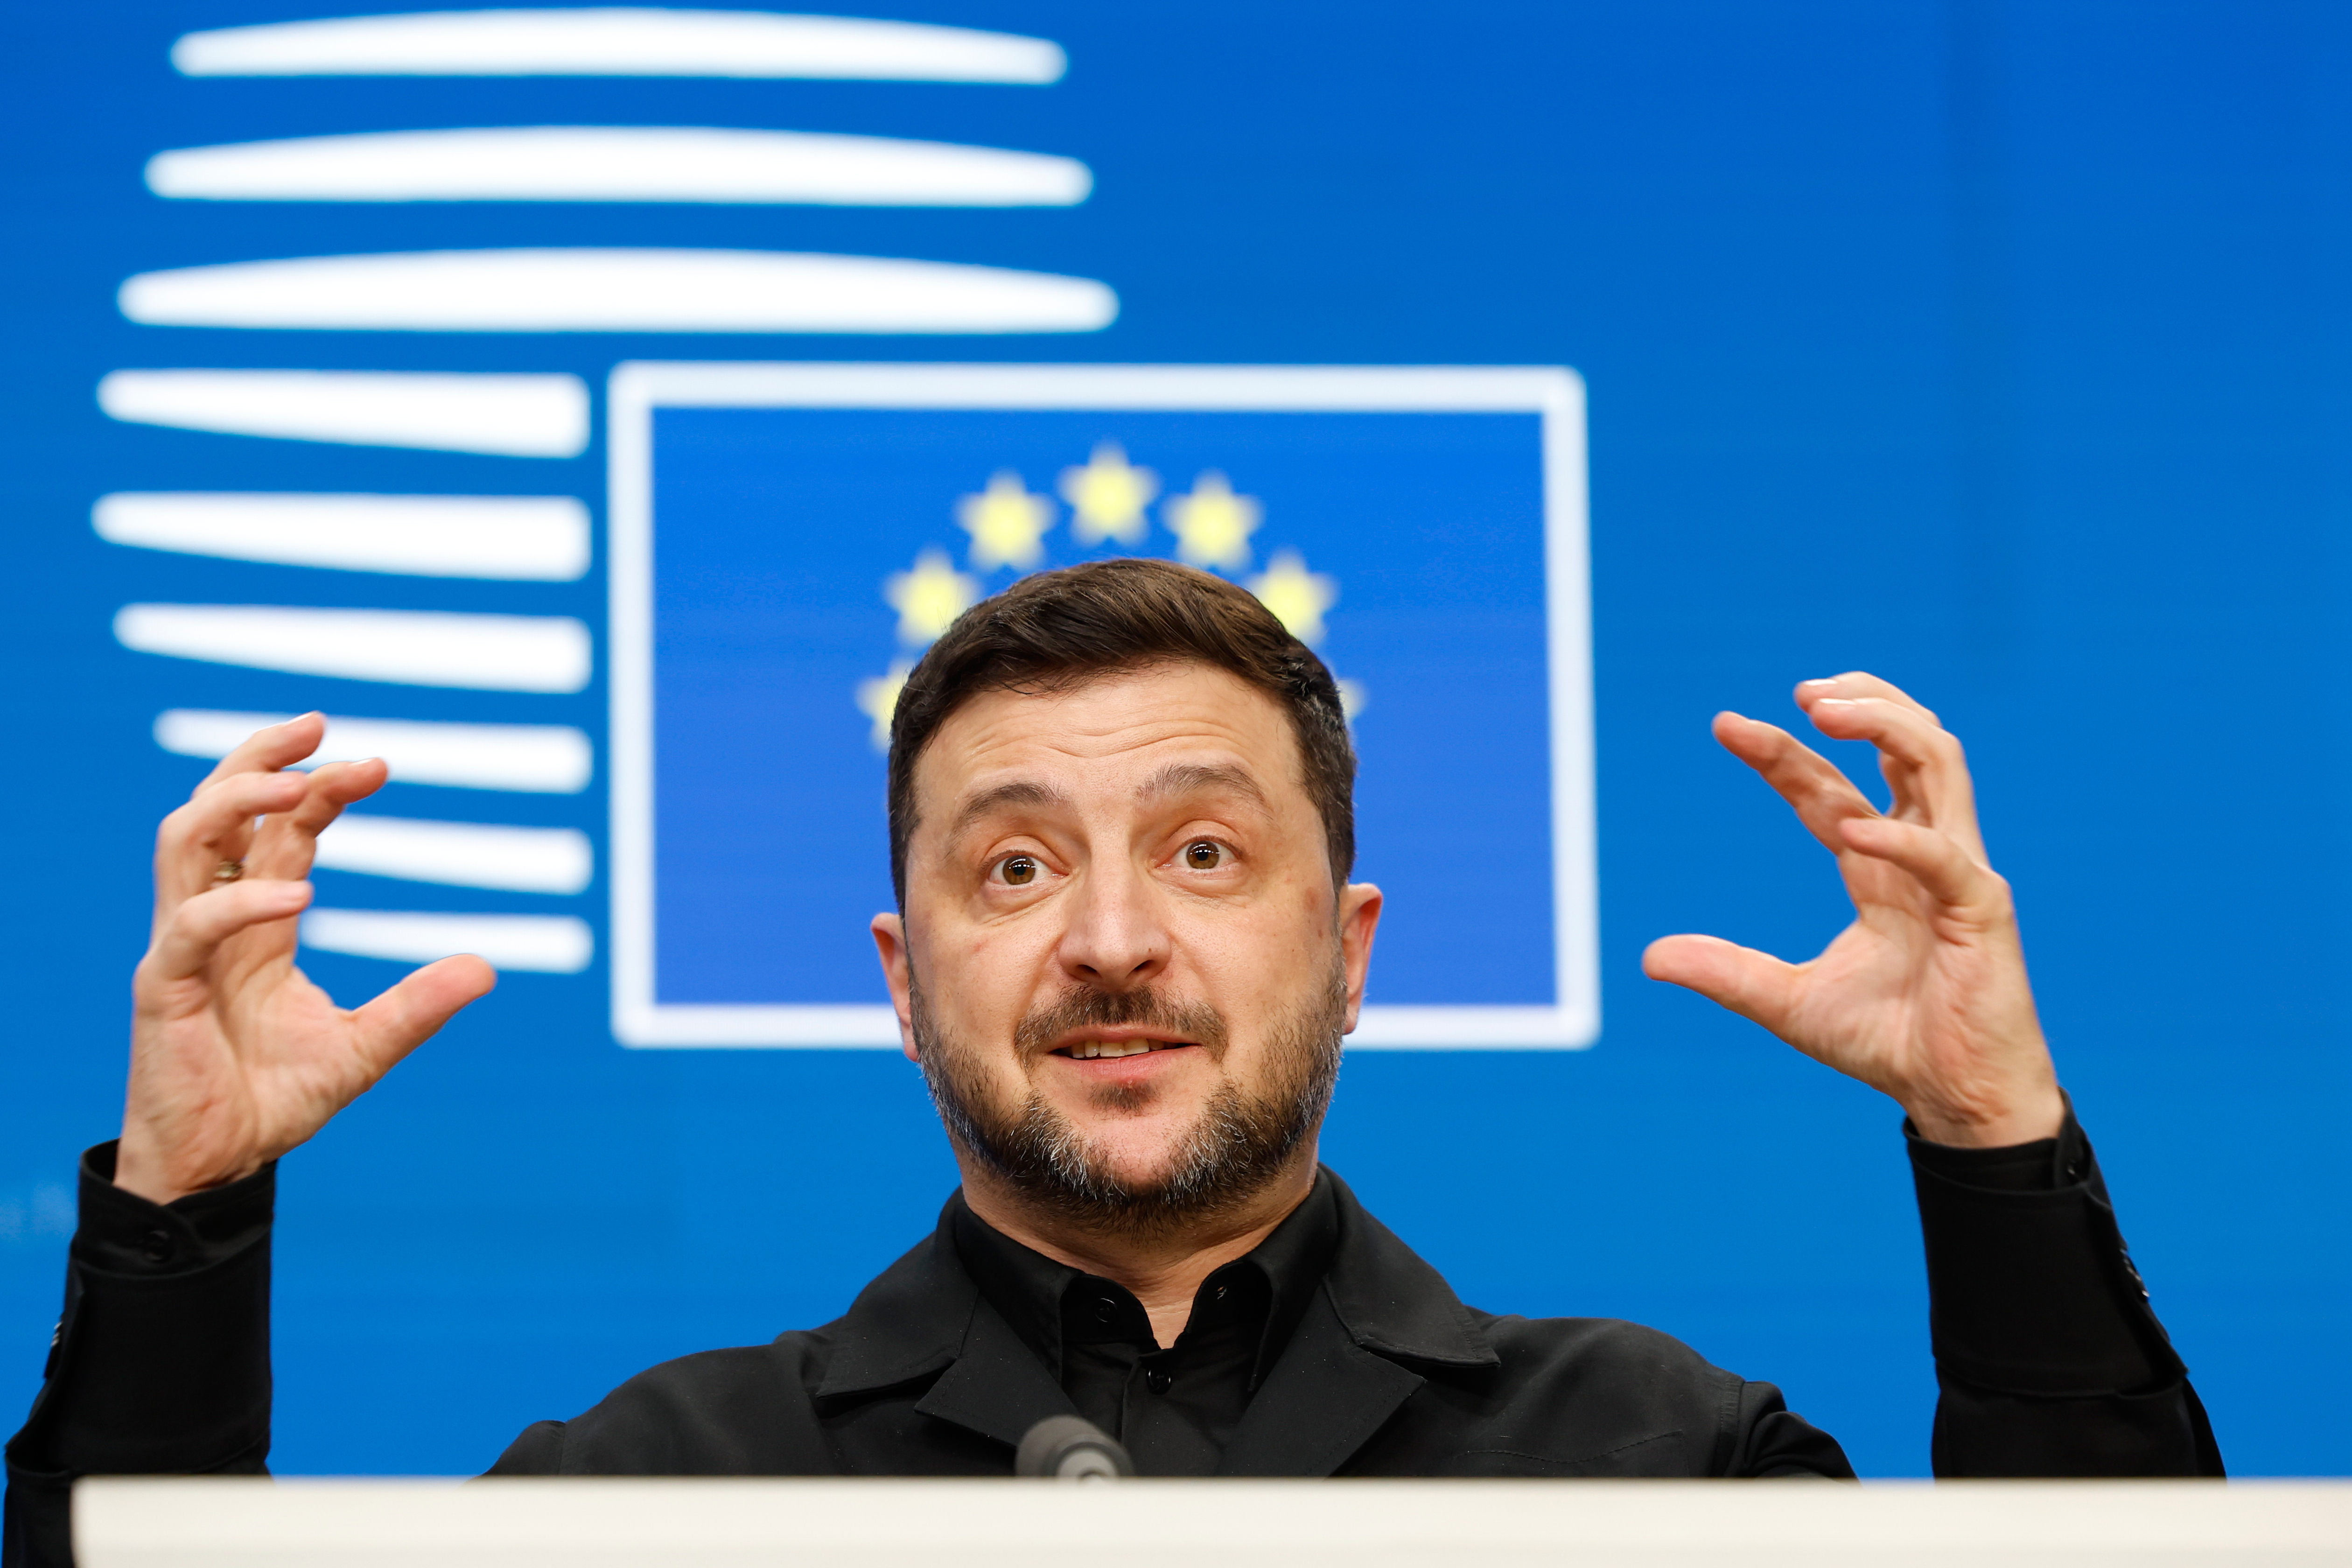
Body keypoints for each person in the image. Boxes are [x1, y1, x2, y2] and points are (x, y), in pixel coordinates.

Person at [4, 560, 2218, 1566]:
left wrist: (1992, 1138)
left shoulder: (1657, 1466)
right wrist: (183, 1223)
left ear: (1348, 950)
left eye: (1203, 850)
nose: (1116, 938)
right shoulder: (654, 1497)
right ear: (901, 969)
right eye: (1015, 869)